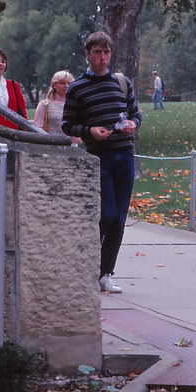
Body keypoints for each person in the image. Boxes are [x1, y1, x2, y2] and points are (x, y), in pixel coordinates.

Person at [61, 32, 142, 294]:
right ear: (88, 54)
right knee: (107, 215)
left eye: (106, 52)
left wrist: (132, 125)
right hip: (100, 158)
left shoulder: (122, 82)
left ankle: (106, 273)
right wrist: (89, 131)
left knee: (119, 219)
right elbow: (67, 125)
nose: (102, 57)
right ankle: (88, 264)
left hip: (124, 155)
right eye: (97, 52)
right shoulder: (78, 87)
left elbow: (136, 114)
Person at [34, 70, 81, 145]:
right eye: (63, 83)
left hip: (71, 148)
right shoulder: (44, 105)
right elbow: (37, 129)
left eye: (69, 83)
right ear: (54, 85)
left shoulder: (77, 106)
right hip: (50, 148)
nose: (66, 86)